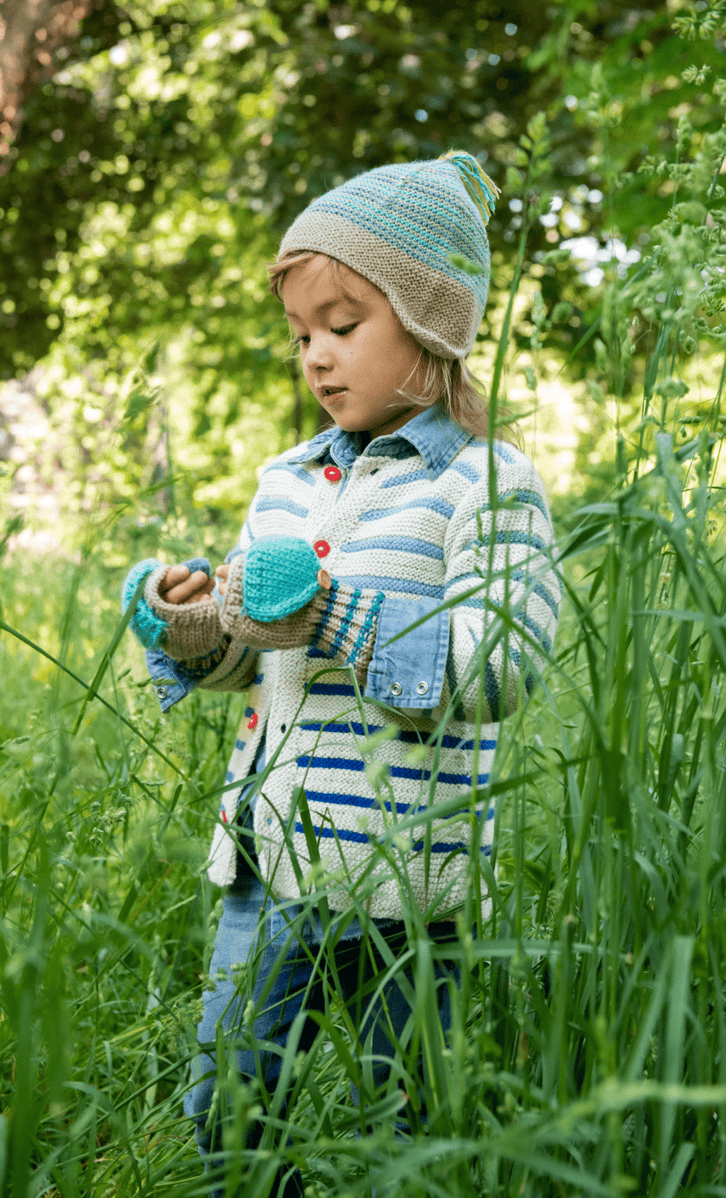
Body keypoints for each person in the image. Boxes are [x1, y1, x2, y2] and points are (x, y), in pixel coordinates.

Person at [122, 151, 563, 1195]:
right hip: (269, 860)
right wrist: (193, 622)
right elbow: (249, 655)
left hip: (408, 880)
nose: (315, 355)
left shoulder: (489, 485)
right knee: (229, 1102)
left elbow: (498, 666)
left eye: (342, 323)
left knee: (415, 1115)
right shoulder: (286, 479)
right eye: (301, 334)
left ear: (432, 318)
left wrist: (333, 614)